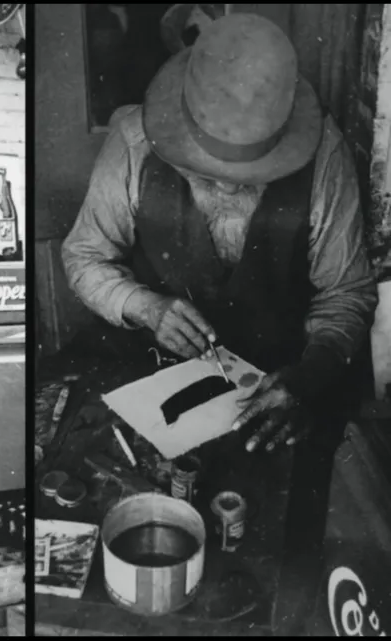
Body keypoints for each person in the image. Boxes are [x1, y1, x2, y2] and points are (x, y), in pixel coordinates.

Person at [62, 13, 378, 455]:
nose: (229, 186)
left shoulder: (325, 156)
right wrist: (146, 307)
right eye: (205, 175)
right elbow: (83, 256)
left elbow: (347, 292)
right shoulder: (134, 142)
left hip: (276, 378)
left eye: (255, 175)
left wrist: (312, 374)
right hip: (146, 367)